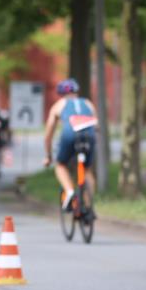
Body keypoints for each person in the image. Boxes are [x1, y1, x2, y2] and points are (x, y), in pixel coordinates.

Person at [43, 78, 98, 210]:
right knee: (87, 169)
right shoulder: (88, 103)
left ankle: (69, 191)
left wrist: (48, 155)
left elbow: (48, 134)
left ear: (61, 93)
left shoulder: (59, 105)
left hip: (69, 135)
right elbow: (97, 125)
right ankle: (89, 206)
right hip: (89, 135)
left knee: (60, 165)